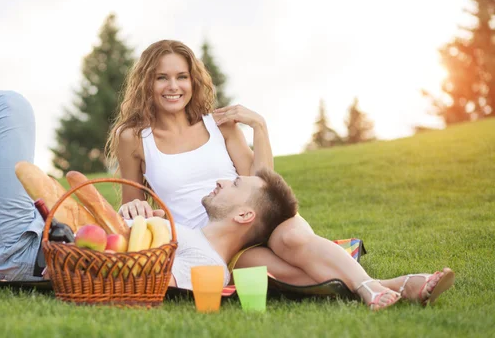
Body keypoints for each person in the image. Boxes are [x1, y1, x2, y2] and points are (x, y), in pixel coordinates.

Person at [106, 39, 455, 310]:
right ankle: (399, 285)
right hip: (213, 244)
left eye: (182, 76)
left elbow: (261, 187)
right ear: (146, 83)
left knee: (290, 240)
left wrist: (259, 126)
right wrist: (134, 211)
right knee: (292, 276)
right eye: (162, 77)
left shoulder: (220, 127)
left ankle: (370, 290)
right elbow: (131, 204)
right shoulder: (134, 138)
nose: (173, 86)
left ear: (193, 81)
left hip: (255, 218)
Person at [0, 76, 299, 292]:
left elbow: (128, 280)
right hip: (28, 234)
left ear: (246, 214)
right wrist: (129, 218)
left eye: (233, 184)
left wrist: (361, 283)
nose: (221, 181)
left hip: (28, 248)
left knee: (10, 107)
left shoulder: (209, 266)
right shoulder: (182, 232)